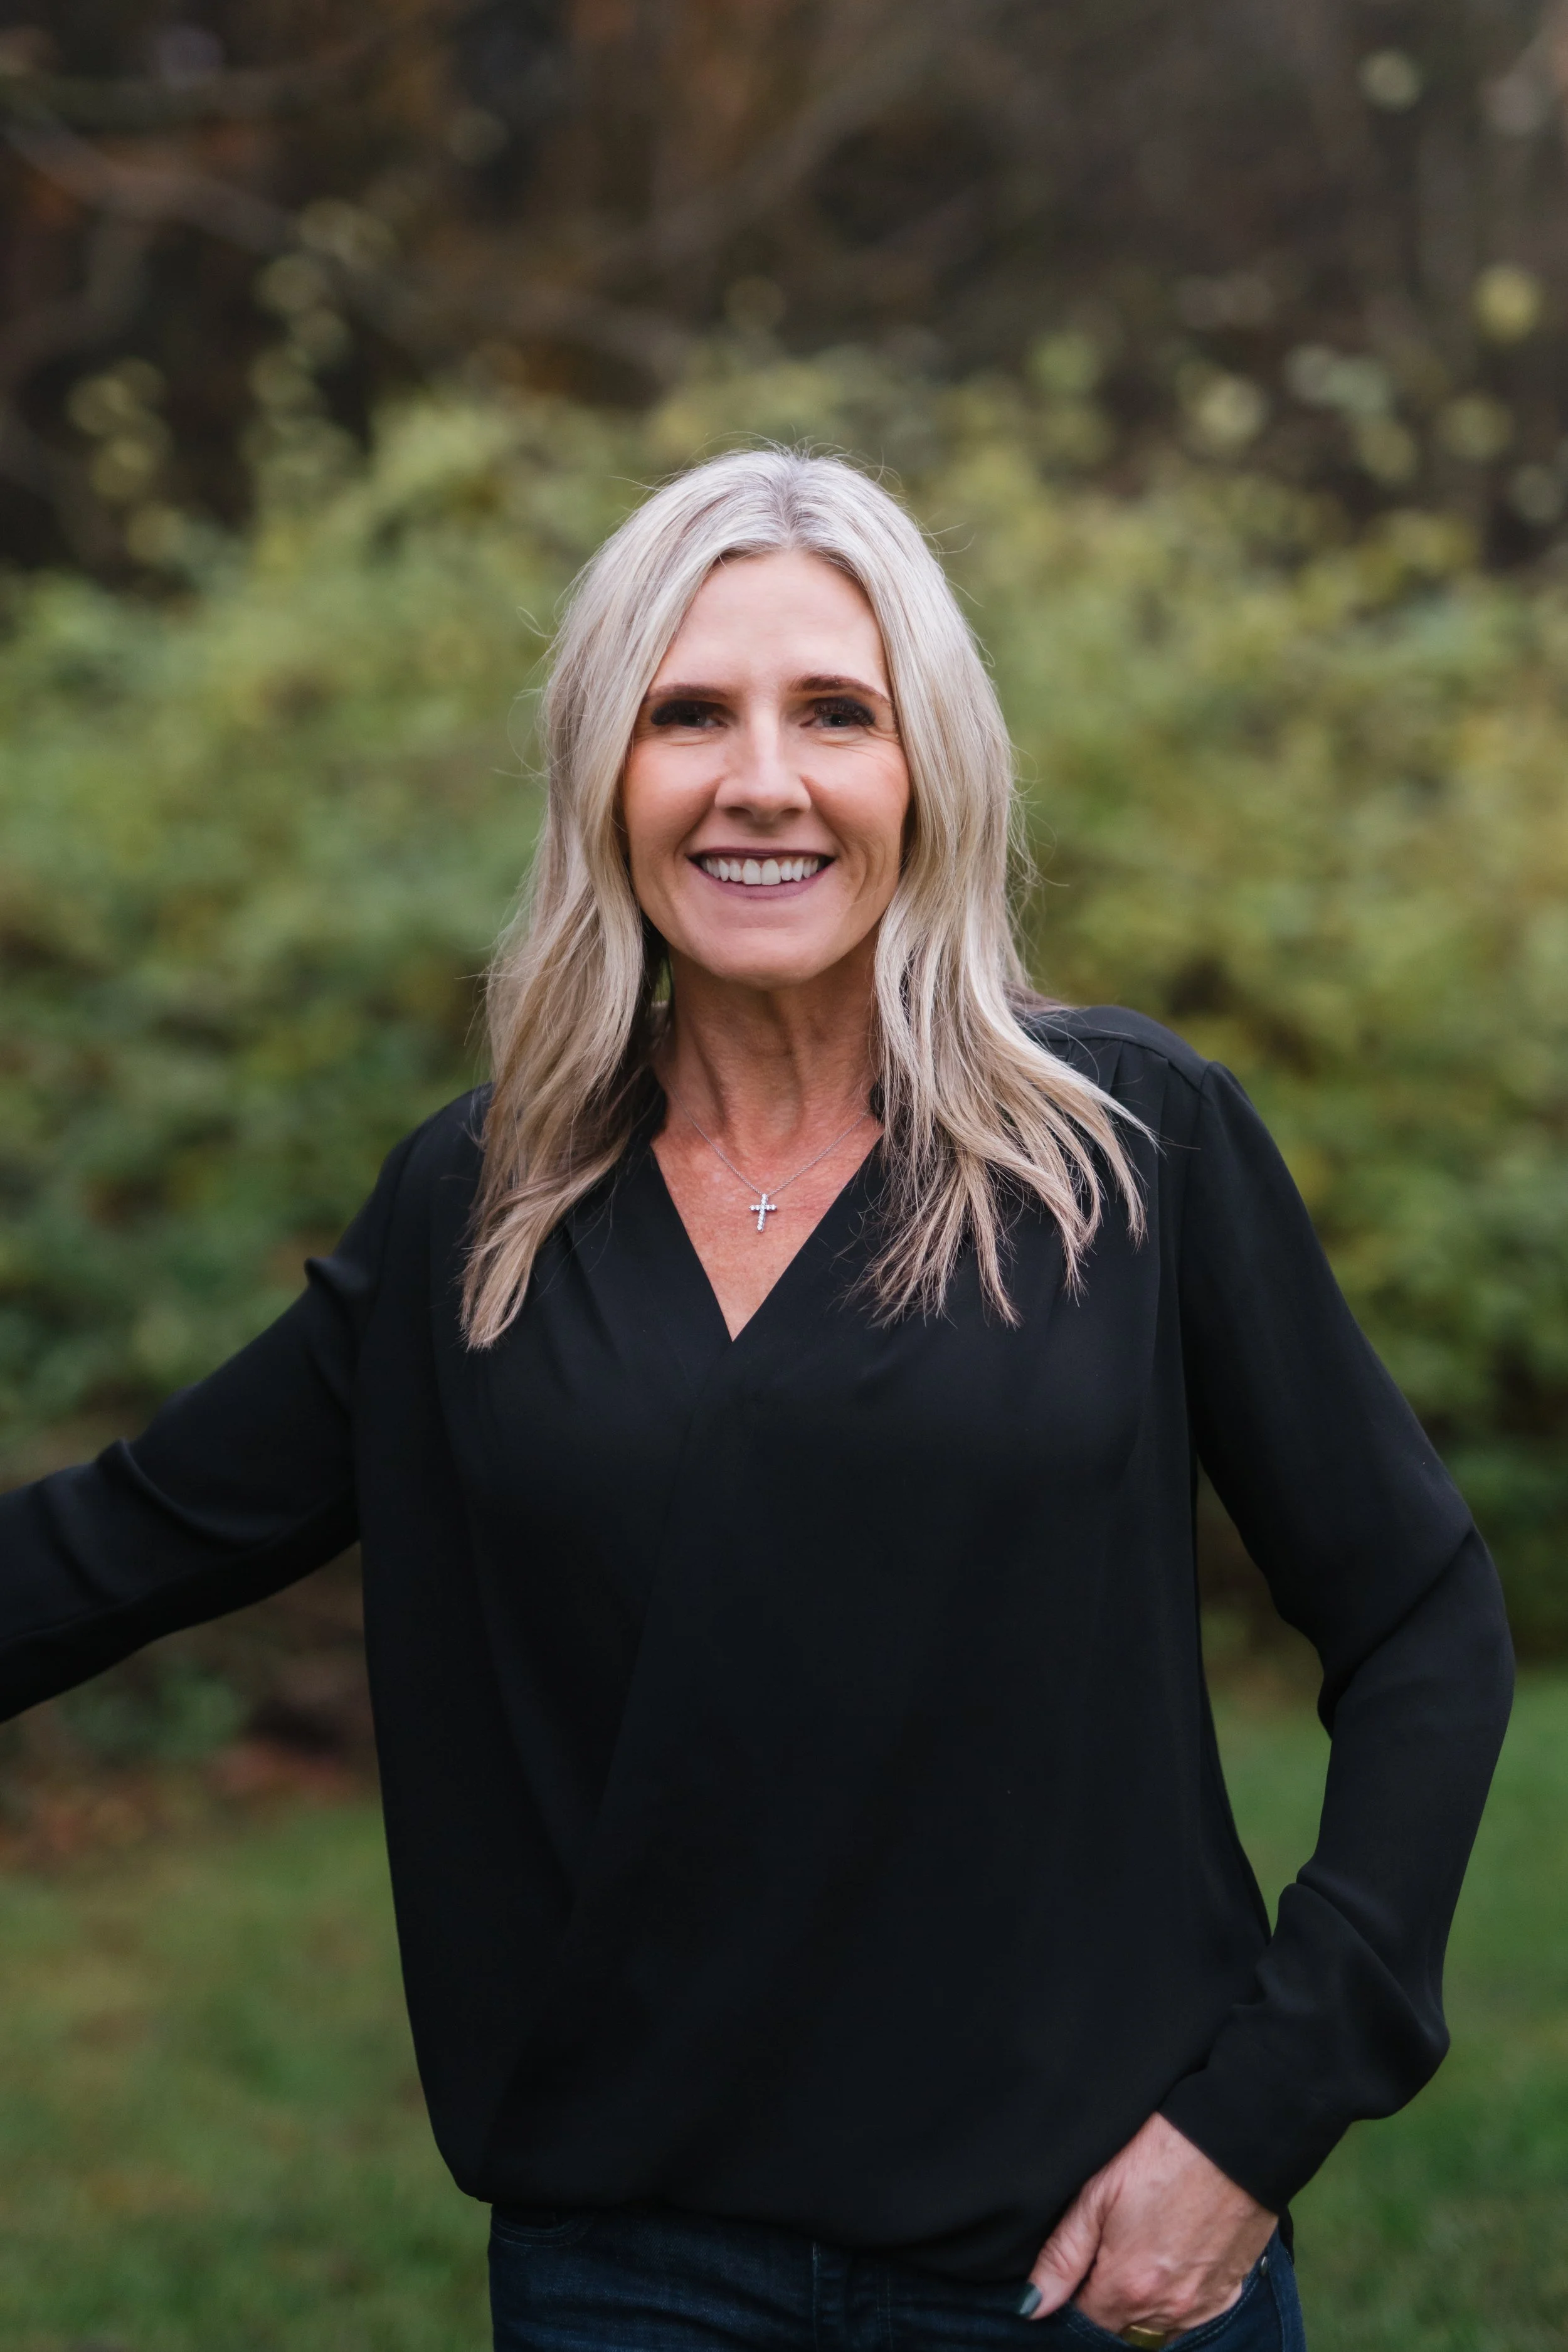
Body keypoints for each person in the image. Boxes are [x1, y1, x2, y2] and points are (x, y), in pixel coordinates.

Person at [0, 450, 1512, 2352]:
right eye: (687, 714)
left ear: (926, 771)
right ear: (600, 777)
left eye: (834, 714)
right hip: (625, 2275)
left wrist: (1261, 2109)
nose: (762, 780)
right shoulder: (481, 1210)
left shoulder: (1129, 1156)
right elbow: (117, 1539)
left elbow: (1420, 1615)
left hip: (1074, 2274)